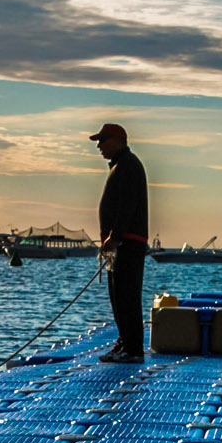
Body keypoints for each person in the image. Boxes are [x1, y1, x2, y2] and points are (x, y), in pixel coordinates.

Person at [89, 121, 148, 363]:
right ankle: (124, 342)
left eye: (103, 141)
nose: (100, 146)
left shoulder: (128, 165)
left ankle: (133, 349)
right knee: (117, 296)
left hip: (128, 242)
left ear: (119, 141)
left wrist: (116, 237)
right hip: (119, 243)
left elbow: (127, 206)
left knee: (127, 296)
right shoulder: (119, 166)